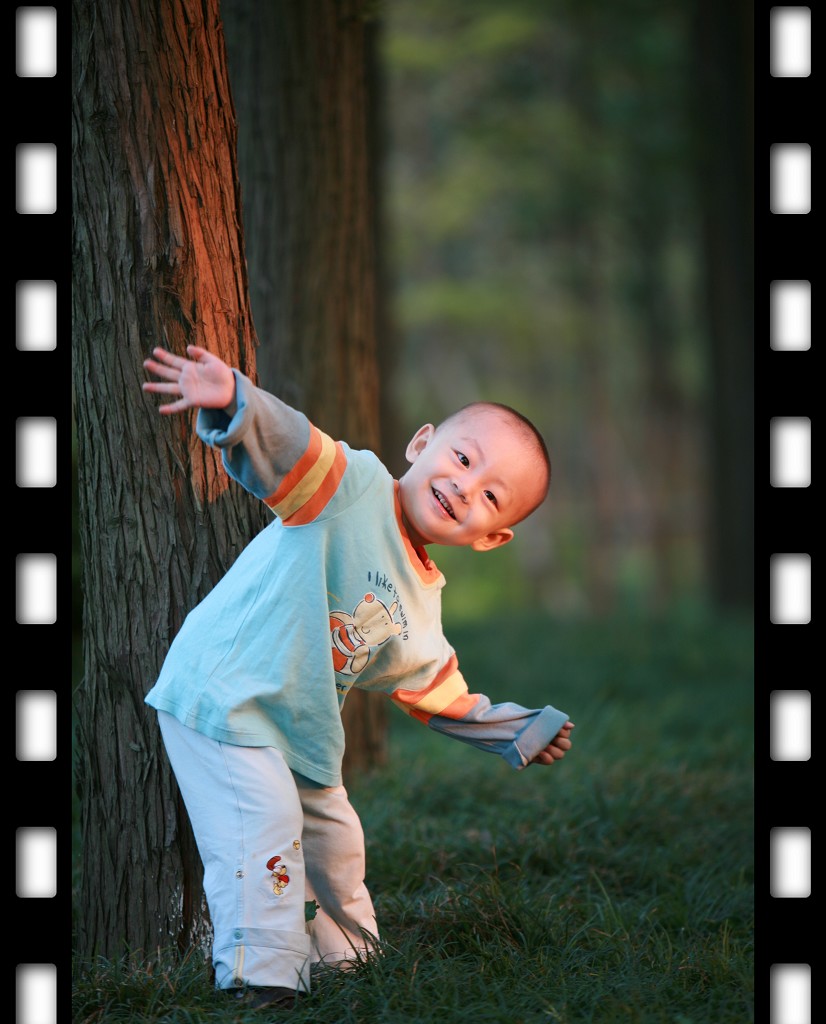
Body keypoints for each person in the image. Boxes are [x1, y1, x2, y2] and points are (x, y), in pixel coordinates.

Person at [141, 344, 575, 1012]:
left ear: (492, 538)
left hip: (299, 728)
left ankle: (350, 965)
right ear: (421, 443)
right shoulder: (353, 487)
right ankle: (264, 978)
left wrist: (518, 731)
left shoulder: (423, 601)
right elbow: (292, 446)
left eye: (491, 496)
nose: (465, 486)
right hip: (224, 696)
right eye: (463, 459)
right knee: (264, 822)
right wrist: (234, 398)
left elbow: (438, 690)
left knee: (335, 839)